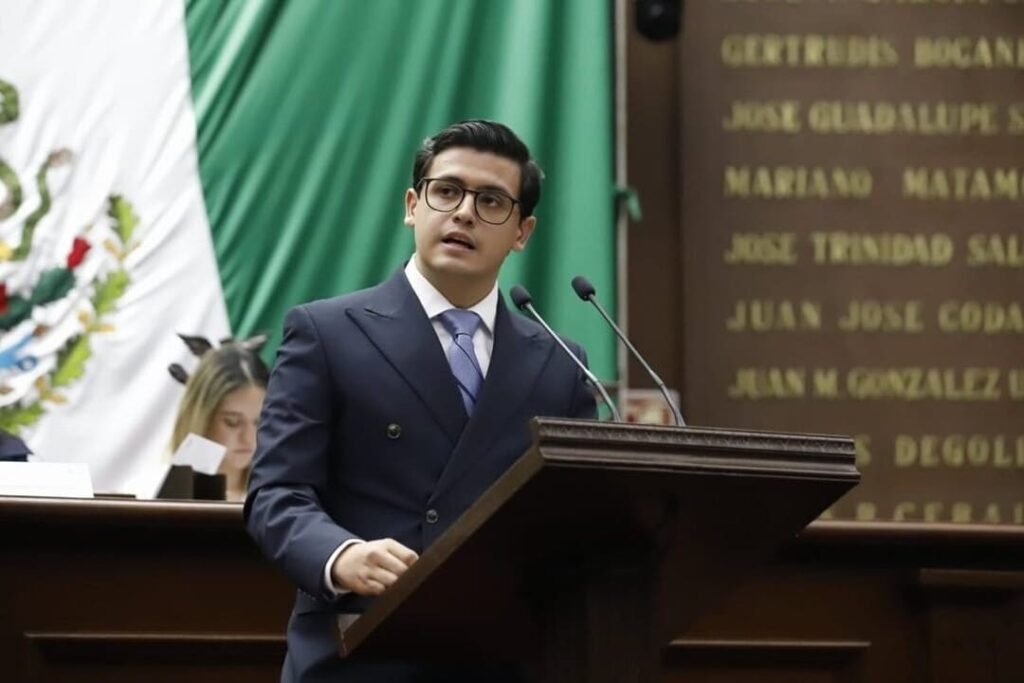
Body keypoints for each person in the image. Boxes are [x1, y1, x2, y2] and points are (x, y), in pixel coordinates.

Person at [245, 120, 597, 682]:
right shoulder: (327, 331)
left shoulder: (559, 362)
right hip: (360, 650)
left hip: (502, 660)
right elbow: (277, 493)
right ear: (413, 205)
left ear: (523, 231)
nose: (463, 213)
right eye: (447, 191)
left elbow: (578, 521)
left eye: (491, 201)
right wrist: (341, 556)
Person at [169, 338, 269, 502]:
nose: (249, 438)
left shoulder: (286, 500)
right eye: (232, 422)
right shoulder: (147, 491)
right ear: (200, 417)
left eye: (260, 422)